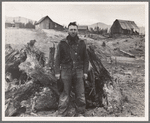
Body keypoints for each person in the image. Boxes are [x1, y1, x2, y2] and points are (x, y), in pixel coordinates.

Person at [55, 22, 89, 117]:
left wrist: (85, 72)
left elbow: (86, 59)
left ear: (77, 31)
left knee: (80, 93)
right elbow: (57, 59)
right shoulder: (62, 43)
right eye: (71, 29)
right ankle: (62, 114)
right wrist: (57, 72)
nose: (73, 31)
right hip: (65, 71)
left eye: (74, 29)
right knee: (64, 94)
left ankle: (80, 113)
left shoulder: (82, 43)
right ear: (68, 31)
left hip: (79, 71)